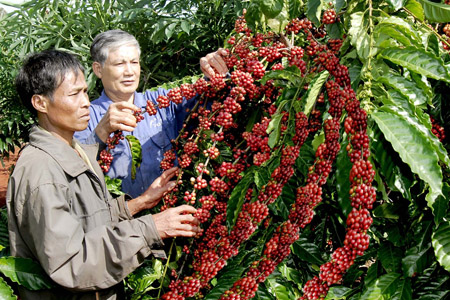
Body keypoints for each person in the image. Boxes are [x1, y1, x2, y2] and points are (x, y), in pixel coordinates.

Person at [7, 49, 201, 299]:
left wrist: (140, 203)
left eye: (85, 91)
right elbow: (72, 264)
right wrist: (151, 228)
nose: (86, 102)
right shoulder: (42, 171)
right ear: (40, 103)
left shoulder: (75, 151)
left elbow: (88, 220)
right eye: (74, 94)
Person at [74, 29, 229, 198]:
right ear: (98, 69)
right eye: (119, 64)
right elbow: (75, 171)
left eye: (134, 62)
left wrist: (215, 71)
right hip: (120, 220)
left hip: (170, 213)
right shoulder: (85, 117)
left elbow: (207, 102)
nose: (129, 72)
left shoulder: (161, 102)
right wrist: (101, 132)